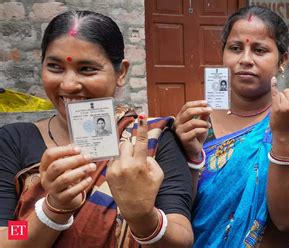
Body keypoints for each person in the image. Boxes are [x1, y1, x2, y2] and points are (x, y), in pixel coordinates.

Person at [0, 11, 193, 247]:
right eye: (55, 67)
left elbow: (181, 236)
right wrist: (52, 210)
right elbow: (8, 234)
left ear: (121, 72)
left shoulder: (151, 140)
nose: (69, 84)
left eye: (87, 69)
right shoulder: (13, 141)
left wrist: (143, 216)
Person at [174, 6, 289, 247]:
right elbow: (179, 210)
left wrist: (284, 135)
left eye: (259, 50)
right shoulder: (197, 122)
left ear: (283, 59)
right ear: (223, 54)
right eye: (236, 48)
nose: (245, 59)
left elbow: (286, 219)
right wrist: (188, 155)